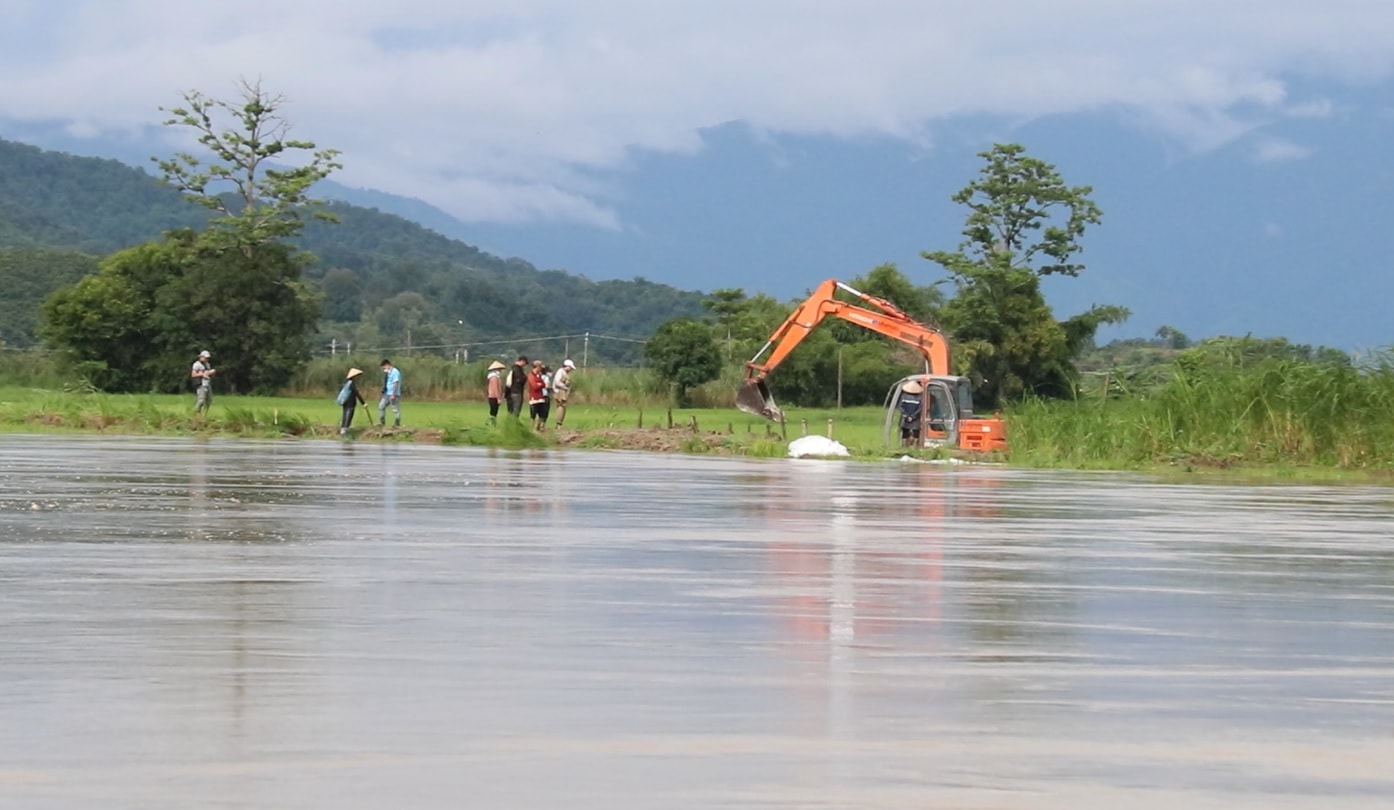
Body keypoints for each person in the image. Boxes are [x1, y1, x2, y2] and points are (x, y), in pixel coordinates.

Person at [337, 367, 366, 435]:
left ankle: (343, 428)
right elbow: (356, 393)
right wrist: (363, 403)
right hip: (350, 402)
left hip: (345, 401)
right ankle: (345, 430)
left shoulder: (345, 382)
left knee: (344, 414)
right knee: (349, 414)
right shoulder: (351, 383)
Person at [898, 380, 924, 446]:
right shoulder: (920, 398)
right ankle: (914, 446)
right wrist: (913, 417)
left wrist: (906, 415)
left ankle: (904, 446)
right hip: (915, 419)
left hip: (905, 418)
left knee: (905, 433)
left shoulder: (903, 397)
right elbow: (920, 409)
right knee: (916, 434)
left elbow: (900, 407)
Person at [378, 358, 402, 427]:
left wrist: (393, 394)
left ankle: (397, 424)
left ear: (387, 365)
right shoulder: (388, 373)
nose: (384, 369)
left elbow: (396, 383)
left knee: (395, 409)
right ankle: (382, 423)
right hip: (387, 394)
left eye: (384, 367)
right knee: (381, 407)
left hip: (393, 394)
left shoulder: (395, 372)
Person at [190, 350, 215, 416]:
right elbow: (193, 375)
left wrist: (211, 372)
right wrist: (202, 374)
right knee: (201, 400)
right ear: (201, 357)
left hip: (207, 383)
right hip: (201, 384)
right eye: (205, 358)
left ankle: (204, 414)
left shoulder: (207, 364)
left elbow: (208, 373)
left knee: (209, 400)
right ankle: (196, 413)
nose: (207, 359)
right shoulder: (196, 364)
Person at [552, 358, 576, 428]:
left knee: (563, 406)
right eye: (570, 367)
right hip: (559, 391)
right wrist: (565, 387)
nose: (571, 369)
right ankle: (558, 423)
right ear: (567, 366)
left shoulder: (565, 373)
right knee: (561, 406)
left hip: (563, 391)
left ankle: (560, 423)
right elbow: (557, 382)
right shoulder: (560, 371)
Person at [526, 360, 547, 430]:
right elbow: (534, 386)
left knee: (542, 413)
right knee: (533, 414)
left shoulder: (539, 375)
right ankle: (532, 428)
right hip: (534, 398)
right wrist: (539, 384)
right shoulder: (531, 376)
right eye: (540, 367)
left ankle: (540, 427)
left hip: (541, 397)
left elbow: (543, 384)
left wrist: (540, 384)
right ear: (537, 367)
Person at [485, 360, 506, 424]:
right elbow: (495, 388)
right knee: (493, 411)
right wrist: (498, 398)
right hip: (493, 396)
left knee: (494, 411)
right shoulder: (494, 377)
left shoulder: (496, 377)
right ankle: (490, 423)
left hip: (493, 396)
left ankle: (492, 423)